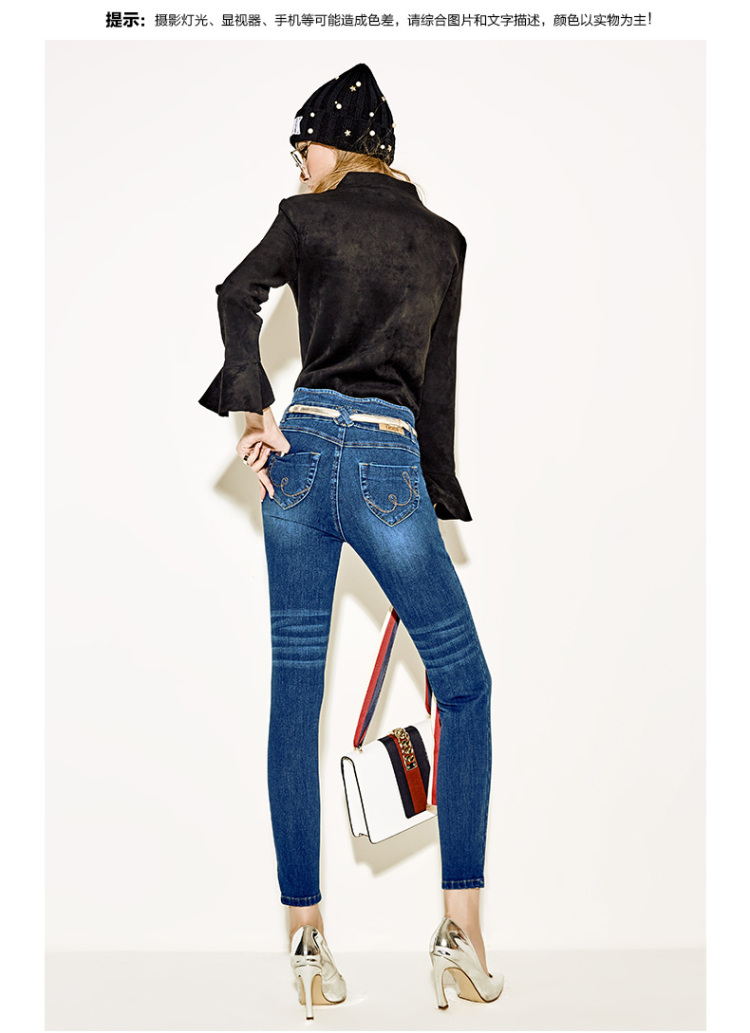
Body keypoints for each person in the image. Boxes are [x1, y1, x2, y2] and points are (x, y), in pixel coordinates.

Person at [199, 62, 503, 1017]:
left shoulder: (306, 220)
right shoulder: (442, 241)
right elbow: (435, 391)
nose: (299, 164)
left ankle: (306, 941)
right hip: (384, 466)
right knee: (466, 686)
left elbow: (235, 294)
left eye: (306, 146)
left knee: (296, 696)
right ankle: (461, 936)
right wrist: (430, 504)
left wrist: (254, 407)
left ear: (348, 143)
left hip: (296, 462)